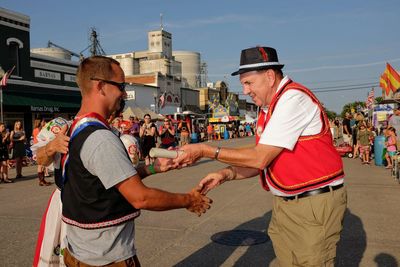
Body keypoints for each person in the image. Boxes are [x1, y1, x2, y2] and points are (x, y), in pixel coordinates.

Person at [175, 46, 347, 266]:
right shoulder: (268, 109)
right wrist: (225, 174)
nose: (245, 91)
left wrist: (206, 150)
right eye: (243, 84)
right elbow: (260, 160)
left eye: (249, 83)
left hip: (313, 203)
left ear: (269, 76)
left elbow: (260, 158)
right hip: (288, 203)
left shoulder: (293, 99)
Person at [37, 56, 211, 267]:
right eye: (121, 85)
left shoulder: (75, 128)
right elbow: (141, 198)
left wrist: (151, 168)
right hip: (106, 259)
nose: (123, 92)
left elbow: (102, 181)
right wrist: (189, 200)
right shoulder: (100, 137)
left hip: (80, 253)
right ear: (100, 86)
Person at [32, 118, 51, 186]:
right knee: (41, 165)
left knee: (41, 165)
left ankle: (42, 180)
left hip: (37, 147)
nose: (44, 122)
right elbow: (42, 138)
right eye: (43, 121)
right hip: (40, 147)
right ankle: (41, 180)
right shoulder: (39, 130)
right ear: (40, 122)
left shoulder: (35, 130)